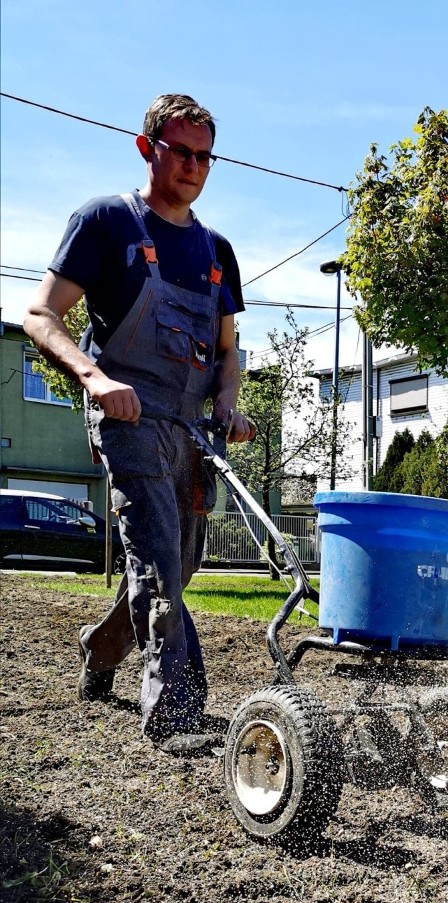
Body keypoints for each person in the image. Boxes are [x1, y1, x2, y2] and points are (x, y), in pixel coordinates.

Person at [23, 94, 255, 753]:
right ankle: (176, 715)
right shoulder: (106, 223)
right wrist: (95, 379)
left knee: (176, 570)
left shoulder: (219, 250)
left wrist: (229, 405)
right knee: (156, 555)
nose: (193, 165)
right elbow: (41, 315)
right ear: (146, 146)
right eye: (180, 150)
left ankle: (101, 648)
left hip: (188, 430)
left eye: (204, 155)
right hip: (126, 416)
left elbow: (229, 351)